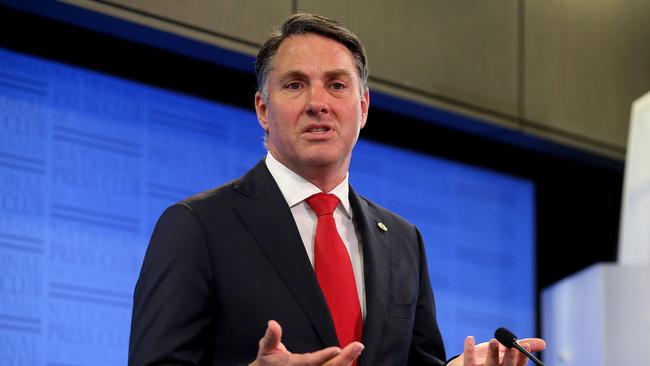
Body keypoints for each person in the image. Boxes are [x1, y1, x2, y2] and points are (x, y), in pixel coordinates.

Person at [128, 13, 545, 366]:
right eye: (294, 84)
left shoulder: (403, 241)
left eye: (337, 84)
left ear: (363, 107)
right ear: (262, 110)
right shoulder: (198, 225)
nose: (317, 102)